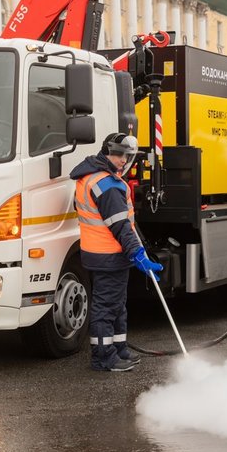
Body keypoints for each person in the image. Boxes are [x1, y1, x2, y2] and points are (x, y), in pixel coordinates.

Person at [70, 133, 163, 372]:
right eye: (118, 154)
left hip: (105, 253)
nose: (123, 160)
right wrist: (137, 254)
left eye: (127, 156)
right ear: (106, 151)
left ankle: (119, 349)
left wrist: (136, 250)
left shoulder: (95, 177)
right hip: (107, 254)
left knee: (117, 305)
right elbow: (120, 225)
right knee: (106, 307)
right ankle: (103, 358)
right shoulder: (107, 184)